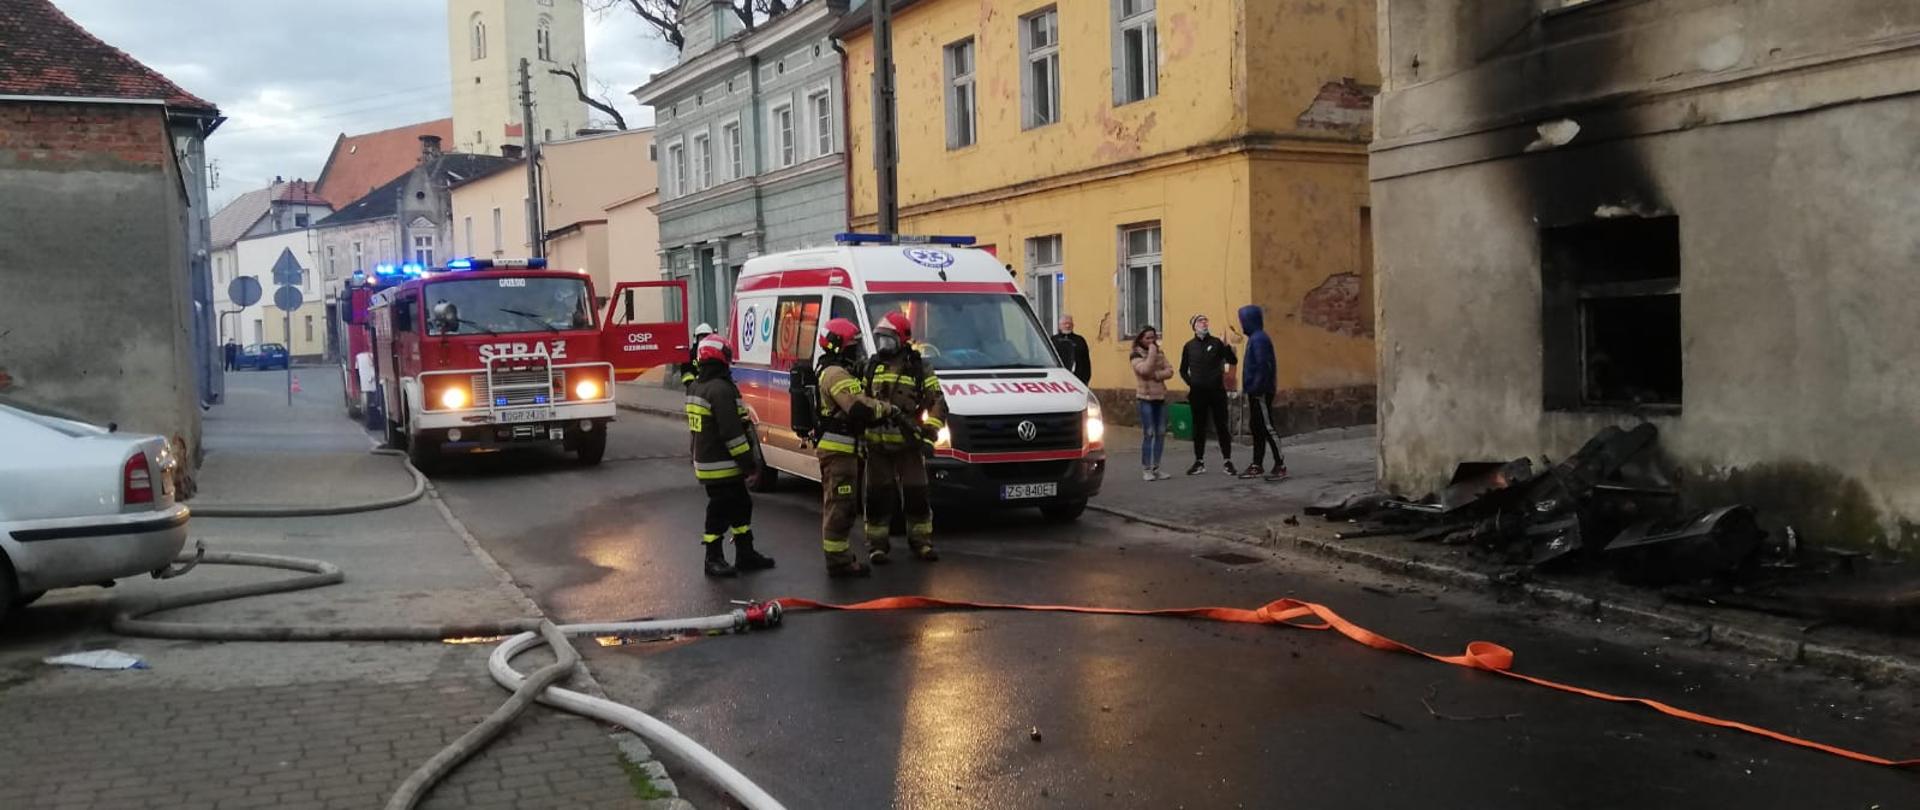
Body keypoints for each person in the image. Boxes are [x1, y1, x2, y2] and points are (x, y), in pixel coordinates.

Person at [685, 334, 775, 578]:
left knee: (741, 505)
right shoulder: (721, 389)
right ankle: (712, 558)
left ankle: (745, 554)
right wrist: (749, 463)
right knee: (720, 510)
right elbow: (731, 433)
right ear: (720, 358)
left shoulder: (697, 386)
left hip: (707, 461)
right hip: (722, 464)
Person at [814, 318, 896, 577]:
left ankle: (840, 556)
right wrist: (886, 408)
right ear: (838, 346)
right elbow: (858, 408)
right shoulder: (837, 374)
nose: (855, 349)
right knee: (841, 506)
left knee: (841, 503)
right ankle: (839, 562)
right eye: (852, 345)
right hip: (839, 452)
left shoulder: (831, 370)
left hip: (842, 450)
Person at [862, 311, 944, 563]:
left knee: (916, 494)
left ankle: (921, 543)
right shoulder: (871, 365)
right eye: (880, 340)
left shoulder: (918, 368)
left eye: (888, 340)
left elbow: (938, 402)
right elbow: (859, 399)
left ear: (902, 339)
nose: (882, 345)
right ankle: (877, 546)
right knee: (877, 496)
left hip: (909, 444)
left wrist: (929, 434)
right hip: (876, 445)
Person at [1178, 314, 1237, 476]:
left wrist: (1226, 346)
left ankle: (1227, 461)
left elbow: (1233, 360)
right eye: (1200, 321)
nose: (1204, 323)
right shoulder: (1189, 346)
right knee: (1199, 427)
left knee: (1221, 426)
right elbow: (1182, 370)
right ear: (1194, 326)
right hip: (1198, 393)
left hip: (1217, 392)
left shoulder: (1216, 343)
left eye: (1205, 320)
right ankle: (1199, 461)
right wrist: (1192, 383)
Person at [1236, 305, 1288, 481]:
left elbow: (1263, 366)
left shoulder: (1259, 340)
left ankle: (1280, 464)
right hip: (1255, 390)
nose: (1241, 325)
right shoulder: (1255, 338)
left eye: (1243, 321)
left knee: (1267, 427)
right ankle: (1257, 464)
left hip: (1261, 391)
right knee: (1257, 427)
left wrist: (1257, 387)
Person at [1130, 326, 1175, 481]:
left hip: (1160, 397)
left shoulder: (1159, 352)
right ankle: (1146, 468)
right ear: (1141, 339)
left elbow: (1169, 370)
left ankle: (1156, 467)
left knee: (1161, 433)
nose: (1151, 341)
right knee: (1148, 433)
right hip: (1145, 398)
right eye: (1147, 338)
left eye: (1153, 338)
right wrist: (1152, 353)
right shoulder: (1136, 354)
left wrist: (1157, 375)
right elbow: (1144, 370)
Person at [1052, 315, 1092, 385]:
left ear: (1073, 325)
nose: (1067, 326)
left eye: (1069, 323)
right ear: (1059, 326)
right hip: (1058, 379)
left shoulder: (1080, 340)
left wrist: (1086, 379)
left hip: (1078, 379)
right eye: (1065, 324)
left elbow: (1086, 361)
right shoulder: (1053, 340)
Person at [678, 323, 717, 389]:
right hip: (696, 390)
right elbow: (686, 373)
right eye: (702, 338)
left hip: (713, 389)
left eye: (707, 337)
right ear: (696, 339)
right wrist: (691, 384)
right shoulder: (691, 355)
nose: (704, 340)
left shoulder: (716, 354)